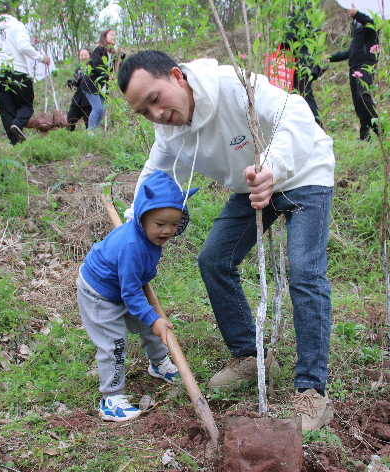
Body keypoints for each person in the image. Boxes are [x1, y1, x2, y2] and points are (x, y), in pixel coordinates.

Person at [117, 50, 335, 431]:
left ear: (176, 76)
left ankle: (312, 392)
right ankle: (248, 357)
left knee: (304, 272)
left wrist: (274, 166)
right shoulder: (169, 131)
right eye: (143, 112)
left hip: (303, 170)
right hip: (252, 188)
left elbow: (296, 113)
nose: (155, 114)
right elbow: (156, 173)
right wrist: (129, 226)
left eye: (154, 99)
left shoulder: (233, 85)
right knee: (214, 258)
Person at [77, 170, 197, 422]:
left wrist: (151, 319)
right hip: (100, 294)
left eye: (174, 224)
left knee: (148, 323)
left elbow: (133, 287)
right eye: (160, 224)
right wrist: (154, 319)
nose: (167, 231)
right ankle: (111, 398)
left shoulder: (147, 237)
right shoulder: (132, 246)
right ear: (142, 218)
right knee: (115, 342)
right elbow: (130, 292)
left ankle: (158, 363)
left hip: (124, 288)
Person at [0, 2, 50, 145]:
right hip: (18, 71)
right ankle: (17, 124)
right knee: (26, 105)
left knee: (6, 109)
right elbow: (23, 46)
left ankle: (14, 142)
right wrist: (41, 57)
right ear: (10, 10)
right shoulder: (16, 25)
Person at [327, 3, 379, 141]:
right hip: (354, 65)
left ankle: (381, 132)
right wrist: (330, 58)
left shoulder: (371, 16)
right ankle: (364, 135)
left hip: (366, 63)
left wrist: (357, 14)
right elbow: (351, 51)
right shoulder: (356, 23)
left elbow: (371, 23)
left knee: (363, 96)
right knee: (358, 102)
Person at [282, 1, 326, 127]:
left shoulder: (298, 12)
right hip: (310, 60)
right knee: (303, 94)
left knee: (305, 95)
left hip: (301, 62)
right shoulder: (311, 12)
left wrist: (282, 47)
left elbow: (290, 36)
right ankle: (307, 126)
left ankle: (317, 127)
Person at [80, 30, 117, 131]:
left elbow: (116, 66)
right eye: (111, 35)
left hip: (101, 86)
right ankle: (90, 134)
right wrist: (108, 75)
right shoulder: (98, 50)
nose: (114, 37)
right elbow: (97, 65)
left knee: (101, 111)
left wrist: (121, 56)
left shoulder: (109, 53)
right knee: (97, 109)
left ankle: (94, 135)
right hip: (91, 84)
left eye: (114, 35)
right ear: (104, 37)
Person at [66, 48, 93, 131]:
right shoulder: (78, 70)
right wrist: (74, 83)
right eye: (81, 55)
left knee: (89, 124)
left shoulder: (93, 69)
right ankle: (70, 140)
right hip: (77, 99)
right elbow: (77, 86)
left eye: (85, 55)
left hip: (88, 100)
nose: (83, 57)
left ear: (90, 56)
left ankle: (90, 141)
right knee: (70, 121)